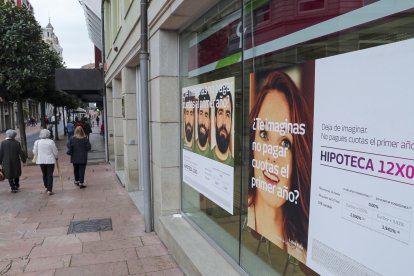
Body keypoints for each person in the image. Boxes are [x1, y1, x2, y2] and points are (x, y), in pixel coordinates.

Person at [247, 71, 312, 263]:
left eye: (285, 143)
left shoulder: (305, 253)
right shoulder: (240, 218)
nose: (271, 156)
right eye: (264, 134)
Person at [212, 87, 234, 165]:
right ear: (215, 120)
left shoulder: (235, 164)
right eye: (220, 113)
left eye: (228, 114)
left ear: (231, 123)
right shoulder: (206, 156)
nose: (224, 122)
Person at [33, 129, 58, 195]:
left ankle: (46, 186)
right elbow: (55, 151)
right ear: (48, 134)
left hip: (41, 161)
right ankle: (49, 189)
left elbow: (34, 152)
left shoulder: (37, 142)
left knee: (44, 174)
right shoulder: (51, 142)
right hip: (50, 161)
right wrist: (56, 157)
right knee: (50, 175)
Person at [194, 89, 213, 158]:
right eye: (201, 113)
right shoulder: (190, 148)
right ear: (197, 116)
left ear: (209, 121)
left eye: (206, 115)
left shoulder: (213, 155)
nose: (203, 121)